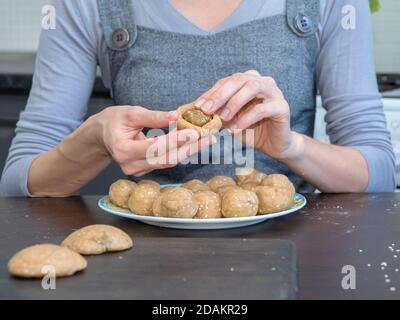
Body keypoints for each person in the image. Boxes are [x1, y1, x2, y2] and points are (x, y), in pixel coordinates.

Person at [0, 0, 395, 197]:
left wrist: (292, 148)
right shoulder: (82, 6)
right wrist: (94, 140)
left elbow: (378, 170)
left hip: (293, 254)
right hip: (146, 265)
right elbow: (18, 183)